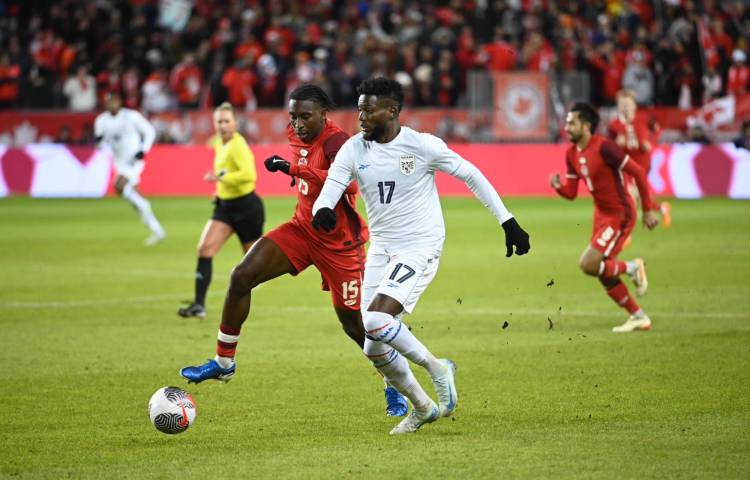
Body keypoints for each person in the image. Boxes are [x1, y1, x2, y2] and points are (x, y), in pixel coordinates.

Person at [311, 77, 531, 435]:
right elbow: (334, 183)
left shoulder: (422, 146)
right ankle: (422, 407)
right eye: (359, 108)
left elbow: (471, 174)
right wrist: (323, 208)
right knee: (373, 347)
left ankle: (437, 367)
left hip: (420, 244)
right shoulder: (355, 149)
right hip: (382, 247)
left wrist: (508, 221)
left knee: (376, 321)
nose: (361, 115)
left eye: (369, 108)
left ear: (392, 111)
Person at [179, 85, 408, 417]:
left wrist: (295, 170)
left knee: (356, 326)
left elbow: (352, 183)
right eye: (293, 116)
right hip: (302, 229)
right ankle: (223, 361)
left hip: (339, 245)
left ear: (322, 115)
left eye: (305, 116)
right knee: (241, 276)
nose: (298, 124)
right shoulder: (296, 134)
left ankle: (395, 387)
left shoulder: (336, 142)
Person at [551, 102, 659, 333]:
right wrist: (559, 187)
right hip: (601, 215)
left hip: (620, 213)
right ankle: (638, 316)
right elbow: (571, 193)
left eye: (572, 123)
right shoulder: (571, 154)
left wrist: (648, 209)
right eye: (567, 122)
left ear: (587, 126)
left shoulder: (605, 148)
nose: (567, 127)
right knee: (601, 269)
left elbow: (638, 172)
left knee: (589, 264)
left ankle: (632, 267)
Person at [178, 102, 265, 318]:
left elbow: (249, 175)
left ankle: (244, 302)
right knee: (205, 249)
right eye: (219, 121)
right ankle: (199, 305)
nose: (223, 125)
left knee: (252, 263)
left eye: (227, 121)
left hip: (246, 208)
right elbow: (227, 171)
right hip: (225, 207)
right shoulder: (219, 143)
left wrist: (220, 178)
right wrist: (220, 189)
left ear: (235, 122)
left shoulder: (238, 145)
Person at [94, 91, 166, 245]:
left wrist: (143, 150)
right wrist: (99, 142)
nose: (111, 105)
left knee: (118, 186)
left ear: (119, 101)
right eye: (108, 102)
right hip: (118, 162)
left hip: (134, 159)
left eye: (113, 101)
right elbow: (100, 144)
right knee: (135, 201)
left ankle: (147, 210)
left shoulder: (131, 116)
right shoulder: (101, 121)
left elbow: (149, 131)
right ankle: (158, 230)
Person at [608, 89, 671, 227]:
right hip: (625, 163)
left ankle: (626, 228)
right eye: (622, 104)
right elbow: (608, 145)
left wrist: (651, 142)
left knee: (632, 195)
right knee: (632, 195)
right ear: (618, 106)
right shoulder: (613, 124)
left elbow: (657, 129)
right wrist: (616, 144)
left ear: (634, 105)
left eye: (628, 104)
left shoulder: (643, 117)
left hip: (642, 162)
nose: (625, 107)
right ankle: (661, 209)